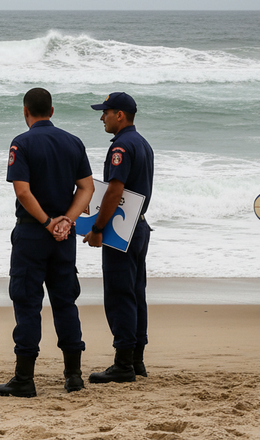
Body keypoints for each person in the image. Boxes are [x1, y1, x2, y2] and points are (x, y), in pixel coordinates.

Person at [0, 88, 95, 397]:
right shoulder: (73, 142)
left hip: (32, 233)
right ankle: (74, 375)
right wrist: (67, 219)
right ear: (51, 111)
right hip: (63, 237)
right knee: (65, 303)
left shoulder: (21, 143)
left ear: (26, 112)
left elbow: (23, 192)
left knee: (27, 304)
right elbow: (87, 188)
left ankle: (24, 378)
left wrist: (48, 222)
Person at [83, 92, 154, 384]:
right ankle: (136, 360)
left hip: (121, 230)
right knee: (136, 292)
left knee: (119, 293)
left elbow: (115, 191)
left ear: (120, 115)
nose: (102, 117)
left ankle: (123, 362)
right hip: (140, 225)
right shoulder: (143, 143)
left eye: (106, 112)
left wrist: (98, 228)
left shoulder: (122, 147)